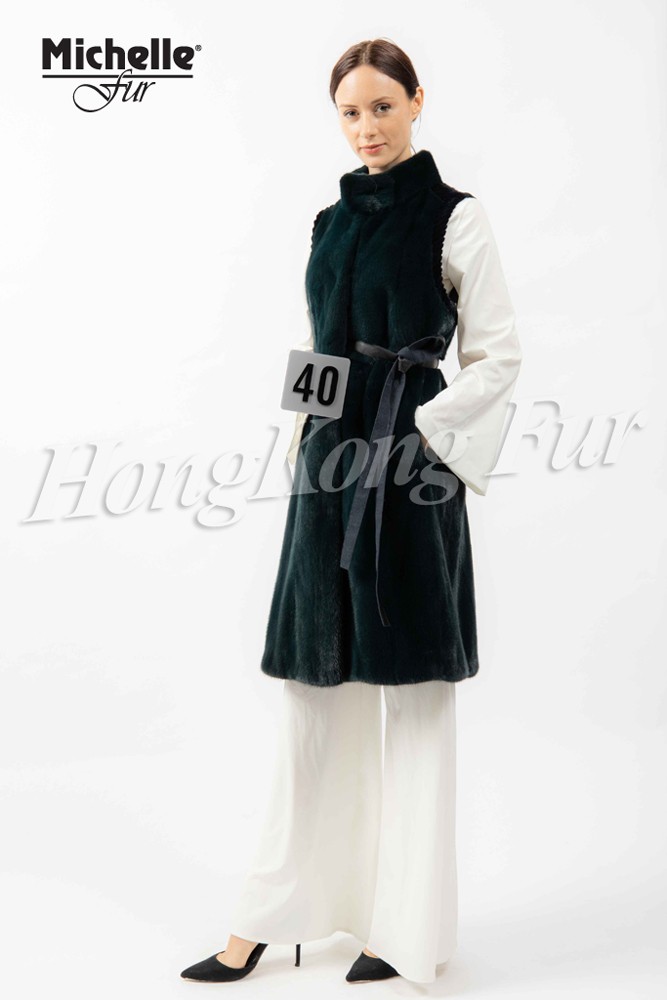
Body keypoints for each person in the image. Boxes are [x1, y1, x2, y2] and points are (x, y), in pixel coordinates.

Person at [180, 37, 522, 986]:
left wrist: (422, 433)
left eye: (381, 107)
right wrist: (305, 450)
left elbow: (497, 354)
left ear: (416, 101)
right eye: (349, 112)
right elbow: (320, 344)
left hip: (411, 477)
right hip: (328, 478)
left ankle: (399, 930)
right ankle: (270, 917)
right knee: (312, 695)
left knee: (411, 700)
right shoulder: (327, 222)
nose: (365, 127)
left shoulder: (455, 217)